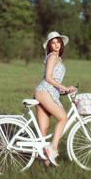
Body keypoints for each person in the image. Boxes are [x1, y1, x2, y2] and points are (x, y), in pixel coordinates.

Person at [34, 31, 75, 166]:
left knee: (43, 130)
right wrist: (63, 87)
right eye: (53, 42)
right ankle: (53, 149)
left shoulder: (59, 58)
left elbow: (54, 80)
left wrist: (63, 89)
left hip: (47, 91)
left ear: (61, 44)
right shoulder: (52, 57)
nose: (56, 45)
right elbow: (48, 78)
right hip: (45, 90)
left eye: (58, 42)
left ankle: (45, 160)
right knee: (63, 118)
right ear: (50, 46)